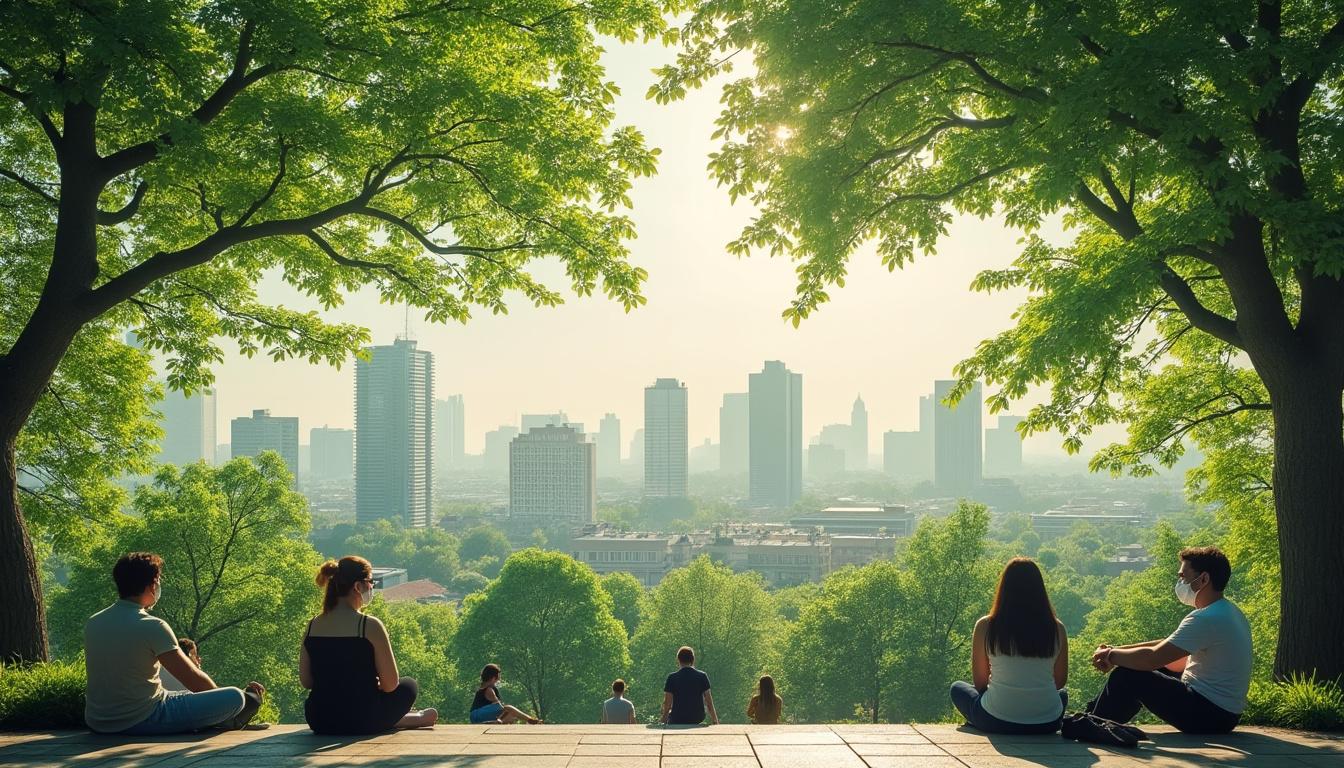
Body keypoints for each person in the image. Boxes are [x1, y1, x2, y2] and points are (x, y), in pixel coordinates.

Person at [84, 552, 264, 734]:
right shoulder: (152, 625)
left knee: (182, 696)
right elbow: (192, 679)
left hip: (98, 721)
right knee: (235, 696)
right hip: (144, 717)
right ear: (152, 584)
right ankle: (228, 720)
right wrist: (222, 704)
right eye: (158, 580)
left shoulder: (94, 622)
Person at [1086, 546, 1251, 734]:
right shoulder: (1228, 612)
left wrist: (1110, 656)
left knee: (1127, 675)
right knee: (1136, 666)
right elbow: (1169, 650)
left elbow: (1152, 659)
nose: (1180, 582)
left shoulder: (1206, 618)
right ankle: (1094, 718)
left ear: (1203, 579)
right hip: (1224, 714)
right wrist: (1116, 650)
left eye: (1183, 577)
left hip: (1209, 715)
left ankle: (1093, 727)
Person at [299, 556, 438, 734]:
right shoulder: (369, 626)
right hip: (362, 719)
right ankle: (408, 719)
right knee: (409, 685)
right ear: (358, 586)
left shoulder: (312, 626)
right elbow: (390, 685)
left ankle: (410, 719)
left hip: (320, 720)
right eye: (371, 582)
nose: (372, 587)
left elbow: (307, 681)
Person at [950, 557, 1069, 734]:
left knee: (957, 688)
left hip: (995, 720)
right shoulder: (1057, 629)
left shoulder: (985, 626)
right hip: (1048, 722)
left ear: (1004, 589)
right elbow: (1059, 682)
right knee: (1062, 695)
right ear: (1039, 590)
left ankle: (985, 716)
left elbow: (980, 683)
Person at [662, 646, 719, 725]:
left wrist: (663, 720)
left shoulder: (672, 678)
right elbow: (709, 702)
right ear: (693, 660)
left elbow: (667, 704)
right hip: (697, 718)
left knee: (672, 716)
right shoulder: (702, 676)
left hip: (677, 718)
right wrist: (715, 720)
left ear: (678, 660)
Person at [470, 663, 542, 724]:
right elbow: (499, 707)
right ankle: (530, 720)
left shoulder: (484, 687)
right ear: (493, 678)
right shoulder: (489, 690)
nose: (498, 680)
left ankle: (495, 722)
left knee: (510, 715)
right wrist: (510, 711)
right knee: (509, 709)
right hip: (477, 715)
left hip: (476, 716)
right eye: (497, 678)